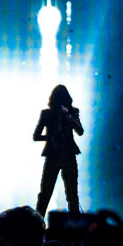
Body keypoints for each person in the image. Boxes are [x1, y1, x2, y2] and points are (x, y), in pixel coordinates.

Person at [33, 84, 84, 216]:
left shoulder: (72, 112)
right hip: (54, 154)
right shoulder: (47, 114)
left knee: (71, 193)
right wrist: (51, 137)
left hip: (67, 154)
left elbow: (80, 131)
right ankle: (38, 221)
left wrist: (70, 118)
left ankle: (75, 223)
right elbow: (36, 136)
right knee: (47, 192)